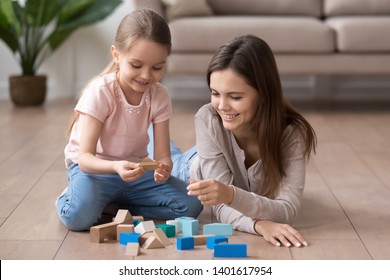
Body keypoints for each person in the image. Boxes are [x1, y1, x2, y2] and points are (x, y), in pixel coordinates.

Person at [159, 35, 317, 247]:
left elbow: (287, 209)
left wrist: (230, 195)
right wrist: (259, 225)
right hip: (189, 168)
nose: (222, 106)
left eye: (235, 97)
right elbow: (220, 205)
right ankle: (147, 129)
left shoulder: (290, 134)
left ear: (263, 94)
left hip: (213, 162)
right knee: (157, 154)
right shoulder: (208, 118)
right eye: (215, 93)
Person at [55, 9, 203, 231]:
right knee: (77, 218)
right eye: (136, 65)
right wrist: (115, 166)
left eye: (157, 68)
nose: (146, 76)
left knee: (191, 205)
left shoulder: (160, 95)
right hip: (96, 170)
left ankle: (114, 205)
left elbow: (162, 154)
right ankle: (71, 197)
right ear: (116, 55)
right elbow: (84, 158)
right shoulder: (101, 92)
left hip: (135, 172)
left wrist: (163, 167)